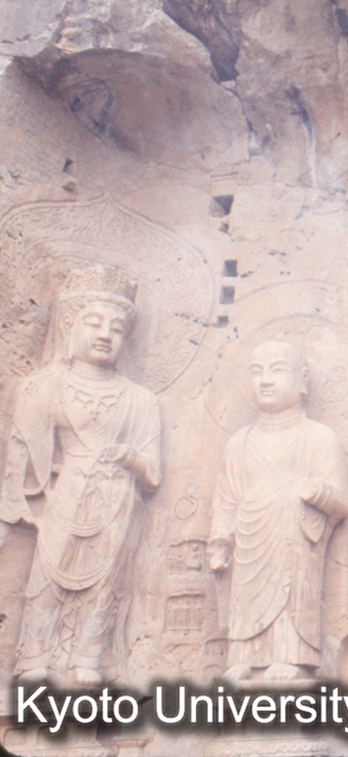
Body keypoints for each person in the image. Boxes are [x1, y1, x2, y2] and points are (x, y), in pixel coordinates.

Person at [0, 264, 161, 686]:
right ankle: (34, 659)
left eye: (117, 328)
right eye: (94, 323)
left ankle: (88, 658)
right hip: (66, 492)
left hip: (117, 498)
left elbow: (153, 472)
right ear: (70, 328)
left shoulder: (139, 400)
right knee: (47, 575)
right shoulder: (46, 386)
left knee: (106, 581)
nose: (106, 334)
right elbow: (22, 454)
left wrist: (131, 457)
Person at [208, 340, 348, 684]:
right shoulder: (239, 443)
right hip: (248, 539)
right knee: (243, 597)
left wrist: (316, 491)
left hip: (294, 542)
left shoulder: (319, 438)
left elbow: (341, 500)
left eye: (277, 371)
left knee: (291, 591)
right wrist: (220, 542)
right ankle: (242, 658)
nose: (266, 381)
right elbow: (226, 500)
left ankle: (292, 656)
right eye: (257, 372)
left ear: (302, 380)